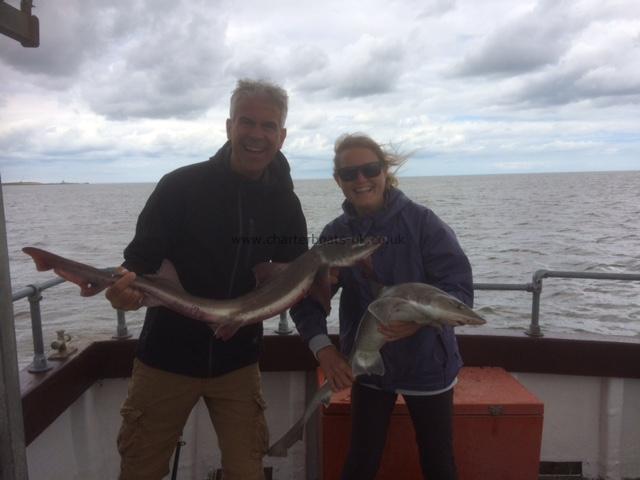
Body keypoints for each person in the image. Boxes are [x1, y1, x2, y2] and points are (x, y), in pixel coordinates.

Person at [105, 79, 308, 480]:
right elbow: (139, 263)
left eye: (268, 126)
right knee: (140, 469)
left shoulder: (285, 203)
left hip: (239, 362)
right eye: (247, 122)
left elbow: (292, 273)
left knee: (247, 469)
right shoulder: (180, 186)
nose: (256, 134)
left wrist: (328, 283)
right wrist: (122, 293)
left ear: (282, 136)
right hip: (166, 359)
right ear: (229, 125)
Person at [290, 133, 473, 480]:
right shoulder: (334, 236)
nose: (361, 180)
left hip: (427, 363)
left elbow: (459, 289)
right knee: (360, 460)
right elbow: (304, 302)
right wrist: (323, 350)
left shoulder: (423, 224)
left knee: (438, 461)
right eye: (349, 174)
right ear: (338, 182)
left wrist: (418, 322)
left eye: (369, 169)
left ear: (384, 171)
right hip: (368, 365)